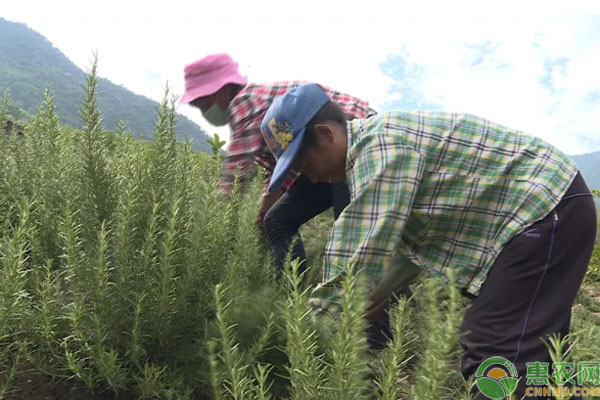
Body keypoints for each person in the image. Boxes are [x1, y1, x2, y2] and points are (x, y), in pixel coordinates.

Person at [260, 83, 597, 399]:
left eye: (304, 164)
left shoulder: (381, 146)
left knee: (496, 345)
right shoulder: (380, 150)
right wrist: (379, 292)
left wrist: (298, 338)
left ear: (325, 134)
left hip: (545, 207)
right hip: (552, 209)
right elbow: (403, 248)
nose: (310, 177)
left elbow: (357, 251)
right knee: (535, 349)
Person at [181, 53, 376, 273]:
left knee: (351, 232)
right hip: (316, 154)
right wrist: (261, 214)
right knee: (276, 220)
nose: (202, 110)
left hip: (348, 139)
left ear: (223, 90)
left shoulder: (245, 101)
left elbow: (233, 179)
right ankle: (293, 297)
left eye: (202, 102)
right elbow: (279, 173)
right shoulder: (254, 112)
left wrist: (209, 229)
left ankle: (378, 301)